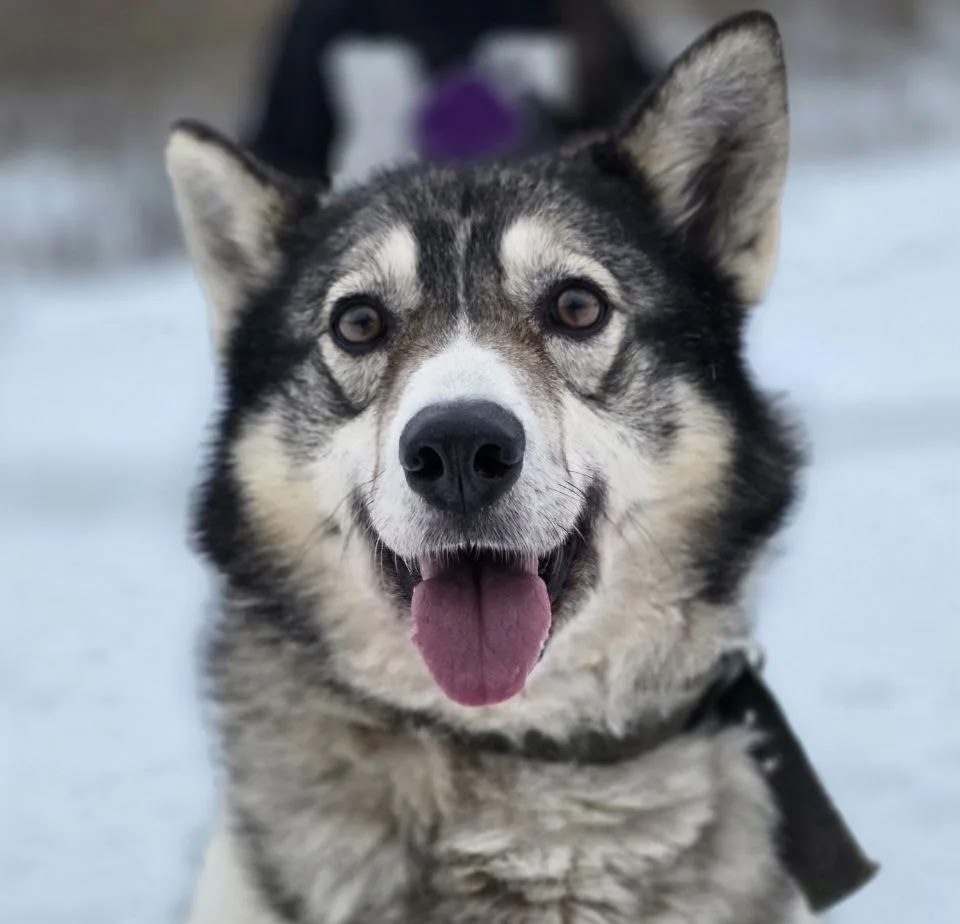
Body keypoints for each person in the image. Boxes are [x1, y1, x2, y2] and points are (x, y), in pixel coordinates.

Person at [244, 0, 659, 178]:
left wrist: (558, 137)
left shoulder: (573, 10)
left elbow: (646, 130)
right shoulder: (331, 16)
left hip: (543, 254)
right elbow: (283, 162)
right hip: (383, 261)